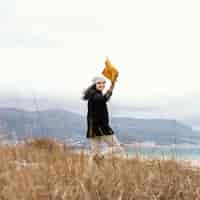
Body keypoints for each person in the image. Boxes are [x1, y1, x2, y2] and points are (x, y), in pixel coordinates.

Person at [82, 75, 125, 161]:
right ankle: (100, 156)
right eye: (99, 83)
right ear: (94, 85)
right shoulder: (96, 96)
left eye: (103, 83)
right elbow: (103, 99)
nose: (101, 85)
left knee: (94, 154)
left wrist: (112, 85)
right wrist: (112, 86)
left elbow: (104, 98)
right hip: (102, 128)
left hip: (92, 129)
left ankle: (90, 173)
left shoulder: (93, 95)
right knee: (118, 148)